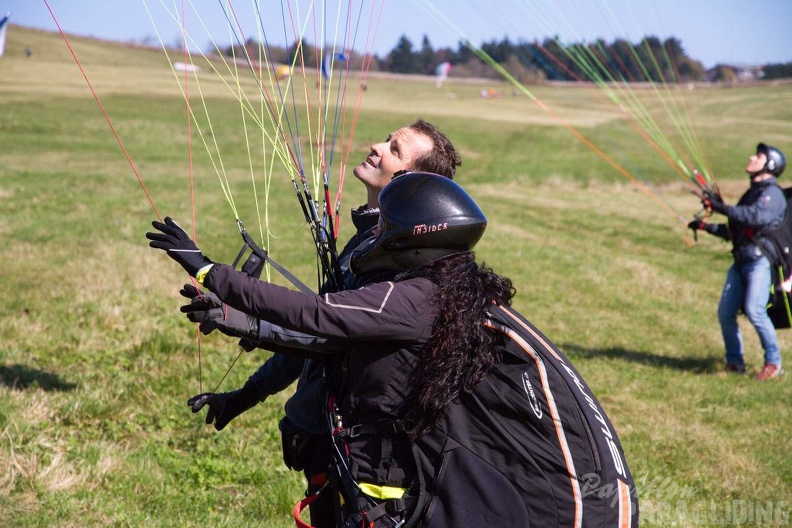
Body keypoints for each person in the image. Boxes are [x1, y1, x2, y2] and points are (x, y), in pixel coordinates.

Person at [147, 172, 638, 527]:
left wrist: (209, 269)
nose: (377, 231)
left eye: (386, 225)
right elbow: (331, 344)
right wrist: (240, 344)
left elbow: (315, 316)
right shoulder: (450, 293)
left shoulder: (413, 297)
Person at [179, 120, 461, 527]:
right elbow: (318, 335)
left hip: (358, 456)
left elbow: (322, 329)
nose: (376, 146)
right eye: (386, 138)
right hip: (325, 442)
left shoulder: (396, 262)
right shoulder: (368, 241)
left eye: (394, 149)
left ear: (411, 182)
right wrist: (246, 395)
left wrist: (239, 317)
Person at [688, 142, 787, 380]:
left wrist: (721, 207)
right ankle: (735, 362)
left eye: (759, 156)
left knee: (755, 310)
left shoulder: (772, 194)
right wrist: (706, 226)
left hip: (759, 262)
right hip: (741, 261)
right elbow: (737, 228)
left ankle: (773, 363)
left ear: (770, 165)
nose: (752, 157)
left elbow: (753, 218)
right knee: (725, 312)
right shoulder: (752, 192)